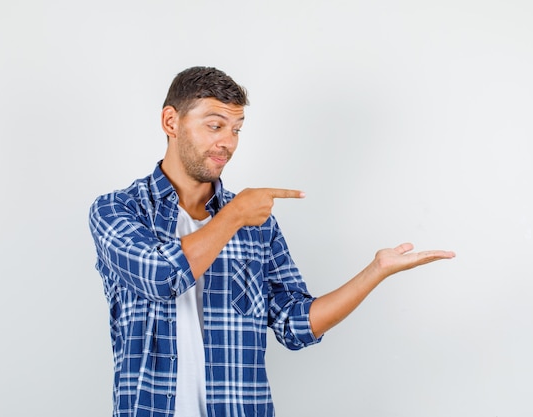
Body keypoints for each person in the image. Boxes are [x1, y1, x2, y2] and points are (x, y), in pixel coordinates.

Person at [88, 66, 455, 417]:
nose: (227, 143)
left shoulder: (258, 225)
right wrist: (233, 215)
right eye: (215, 126)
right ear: (171, 122)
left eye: (236, 129)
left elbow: (295, 325)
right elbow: (162, 276)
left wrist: (375, 272)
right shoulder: (116, 210)